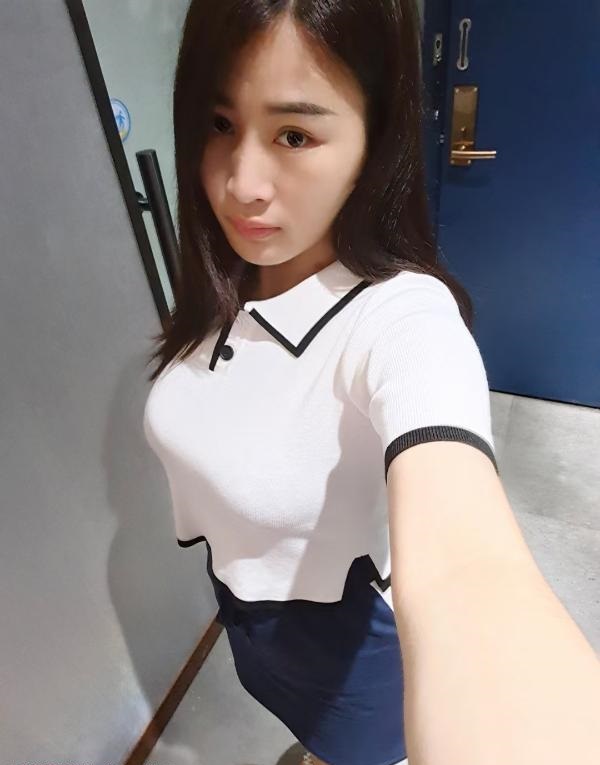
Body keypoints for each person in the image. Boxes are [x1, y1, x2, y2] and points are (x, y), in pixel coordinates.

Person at [142, 1, 600, 764]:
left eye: (294, 134)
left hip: (354, 665)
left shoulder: (401, 320)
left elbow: (469, 568)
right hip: (256, 627)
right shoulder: (230, 280)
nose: (241, 183)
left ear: (375, 140)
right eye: (220, 124)